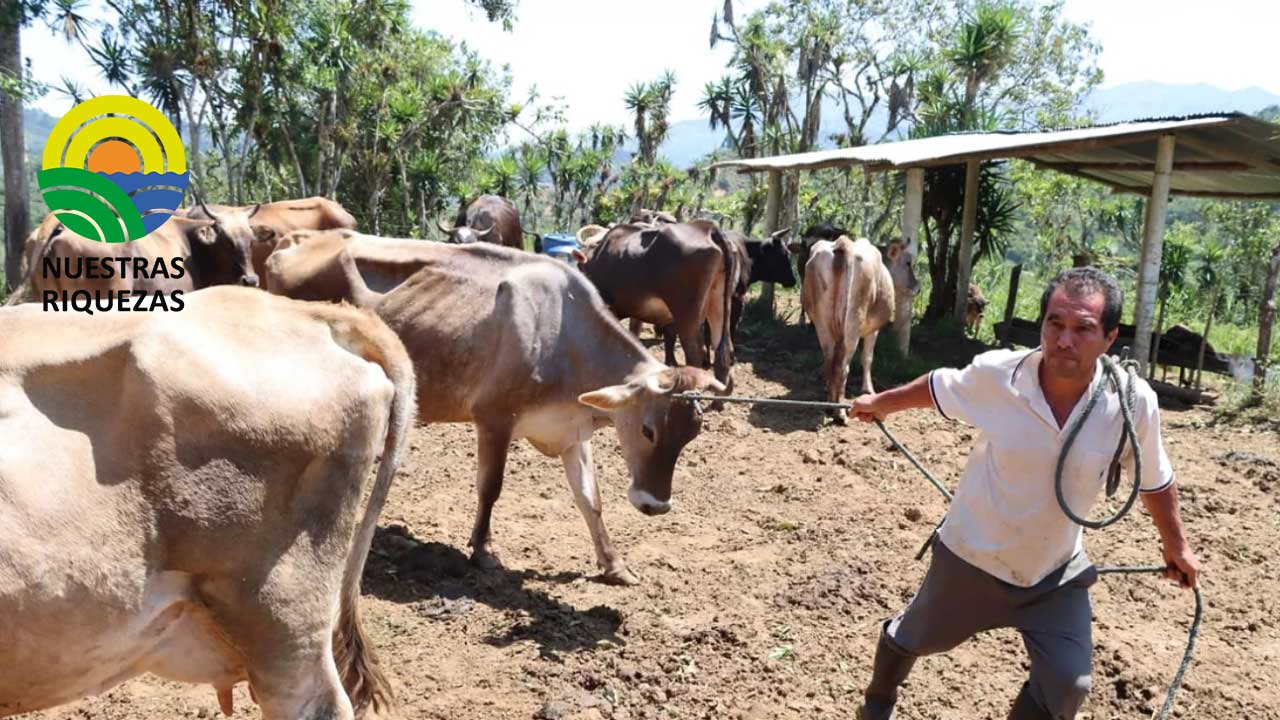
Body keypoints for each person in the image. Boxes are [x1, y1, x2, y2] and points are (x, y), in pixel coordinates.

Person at [850, 267, 1200, 720]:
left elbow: (1155, 477)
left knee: (1069, 684)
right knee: (912, 638)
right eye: (1055, 323)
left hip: (1053, 572)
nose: (1064, 340)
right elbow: (939, 386)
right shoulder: (1000, 375)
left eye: (1083, 329)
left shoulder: (1132, 403)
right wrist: (879, 403)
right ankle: (877, 704)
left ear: (1110, 338)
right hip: (972, 556)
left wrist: (1177, 546)